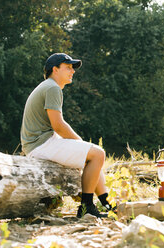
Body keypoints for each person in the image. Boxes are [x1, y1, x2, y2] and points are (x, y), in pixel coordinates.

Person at [20, 53, 112, 218]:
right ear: (55, 69)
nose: (72, 71)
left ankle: (107, 204)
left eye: (72, 68)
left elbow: (57, 127)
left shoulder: (48, 86)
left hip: (41, 142)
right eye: (68, 67)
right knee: (97, 154)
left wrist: (82, 146)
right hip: (40, 145)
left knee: (93, 155)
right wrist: (79, 142)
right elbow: (59, 125)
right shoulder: (52, 88)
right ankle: (87, 208)